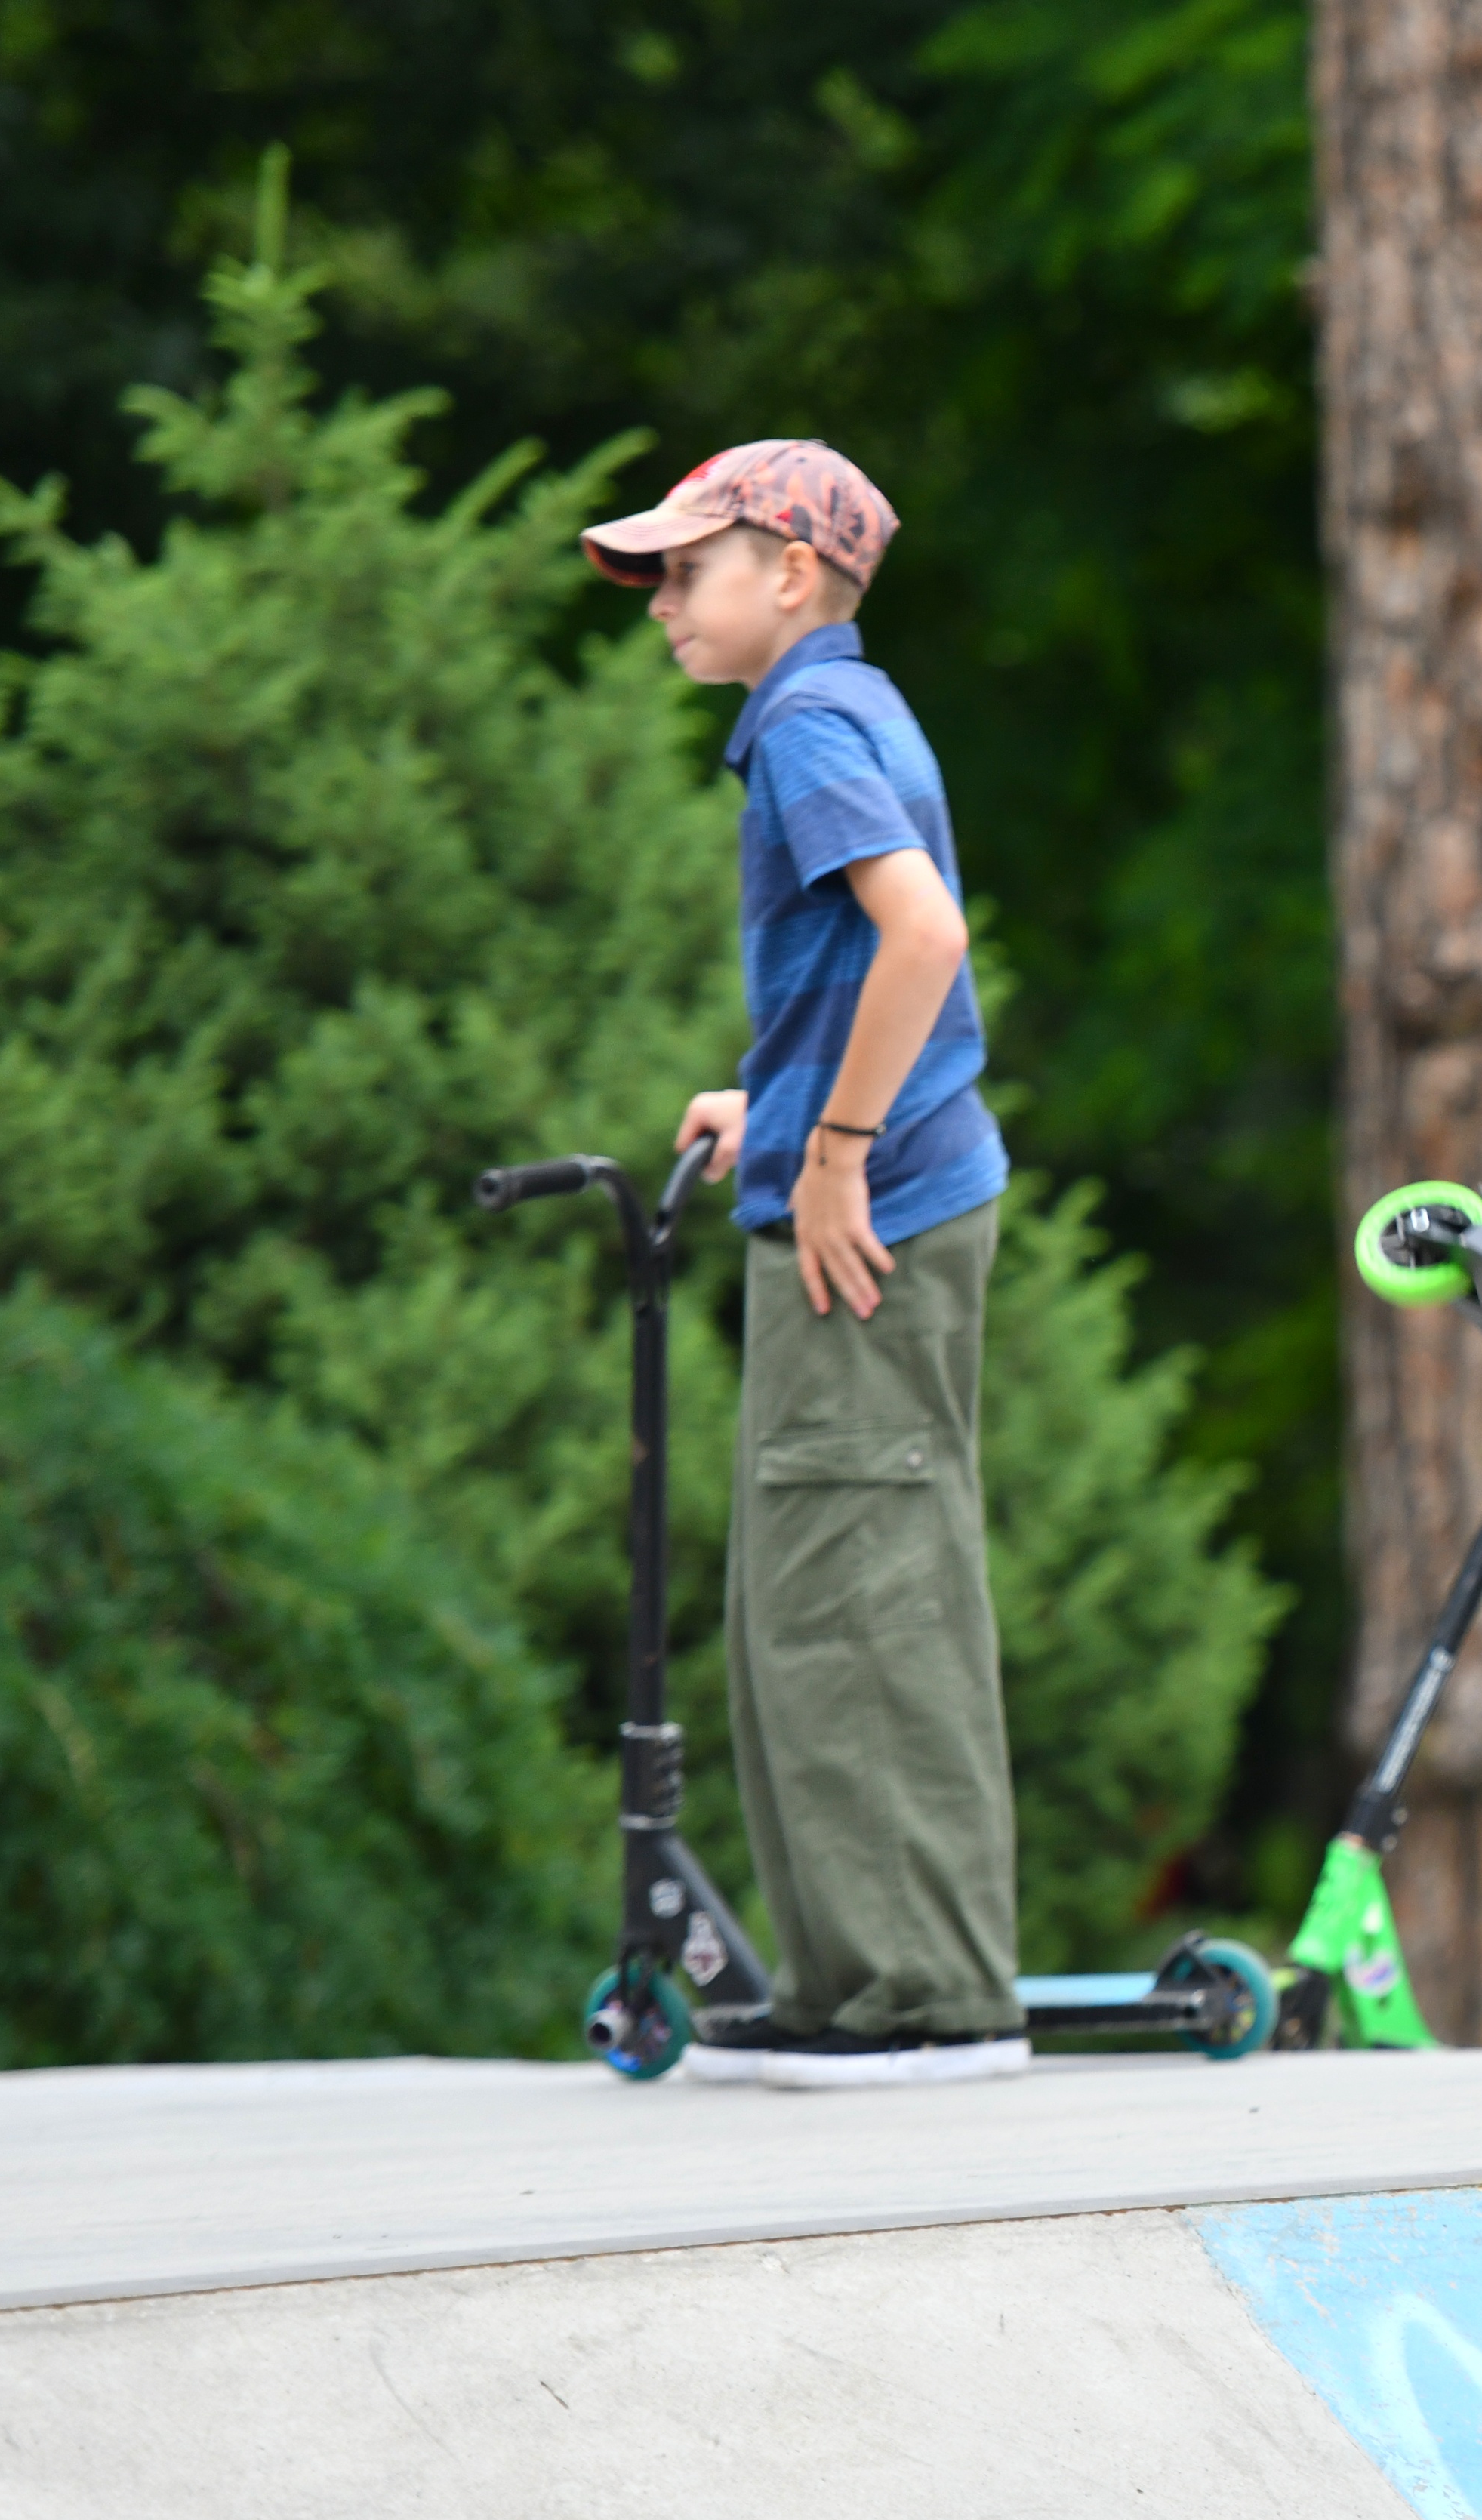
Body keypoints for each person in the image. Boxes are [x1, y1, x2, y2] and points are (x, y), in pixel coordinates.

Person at [579, 440, 1026, 2088]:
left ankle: (918, 1998)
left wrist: (830, 1148)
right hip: (861, 1180)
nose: (663, 604)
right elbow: (859, 965)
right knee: (813, 1582)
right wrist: (774, 1099)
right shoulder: (831, 715)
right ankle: (860, 1977)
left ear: (788, 567)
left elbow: (923, 937)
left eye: (683, 569)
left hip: (871, 1210)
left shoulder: (816, 728)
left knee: (858, 1587)